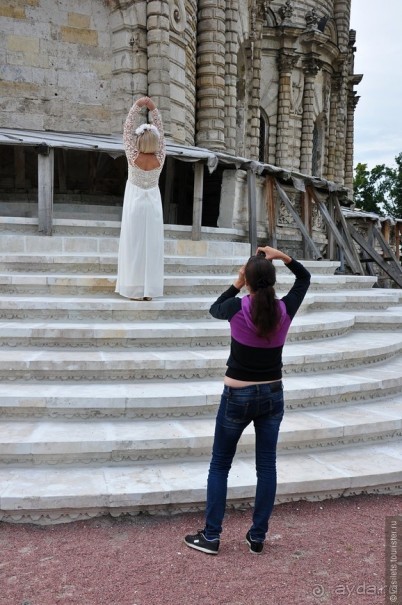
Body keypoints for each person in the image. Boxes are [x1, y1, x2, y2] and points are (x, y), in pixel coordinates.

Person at [184, 246, 311, 555]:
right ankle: (257, 536)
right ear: (272, 281)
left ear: (250, 281)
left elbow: (215, 307)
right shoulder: (285, 309)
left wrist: (239, 281)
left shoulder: (237, 308)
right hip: (272, 394)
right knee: (266, 467)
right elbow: (304, 279)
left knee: (220, 465)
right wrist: (281, 256)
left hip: (237, 395)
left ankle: (212, 536)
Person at [115, 96, 166, 300]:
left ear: (138, 140)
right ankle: (149, 291)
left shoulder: (132, 155)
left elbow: (127, 129)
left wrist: (137, 106)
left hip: (135, 203)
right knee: (151, 247)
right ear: (156, 141)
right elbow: (160, 129)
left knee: (134, 246)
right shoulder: (160, 157)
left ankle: (134, 290)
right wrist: (153, 109)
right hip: (153, 204)